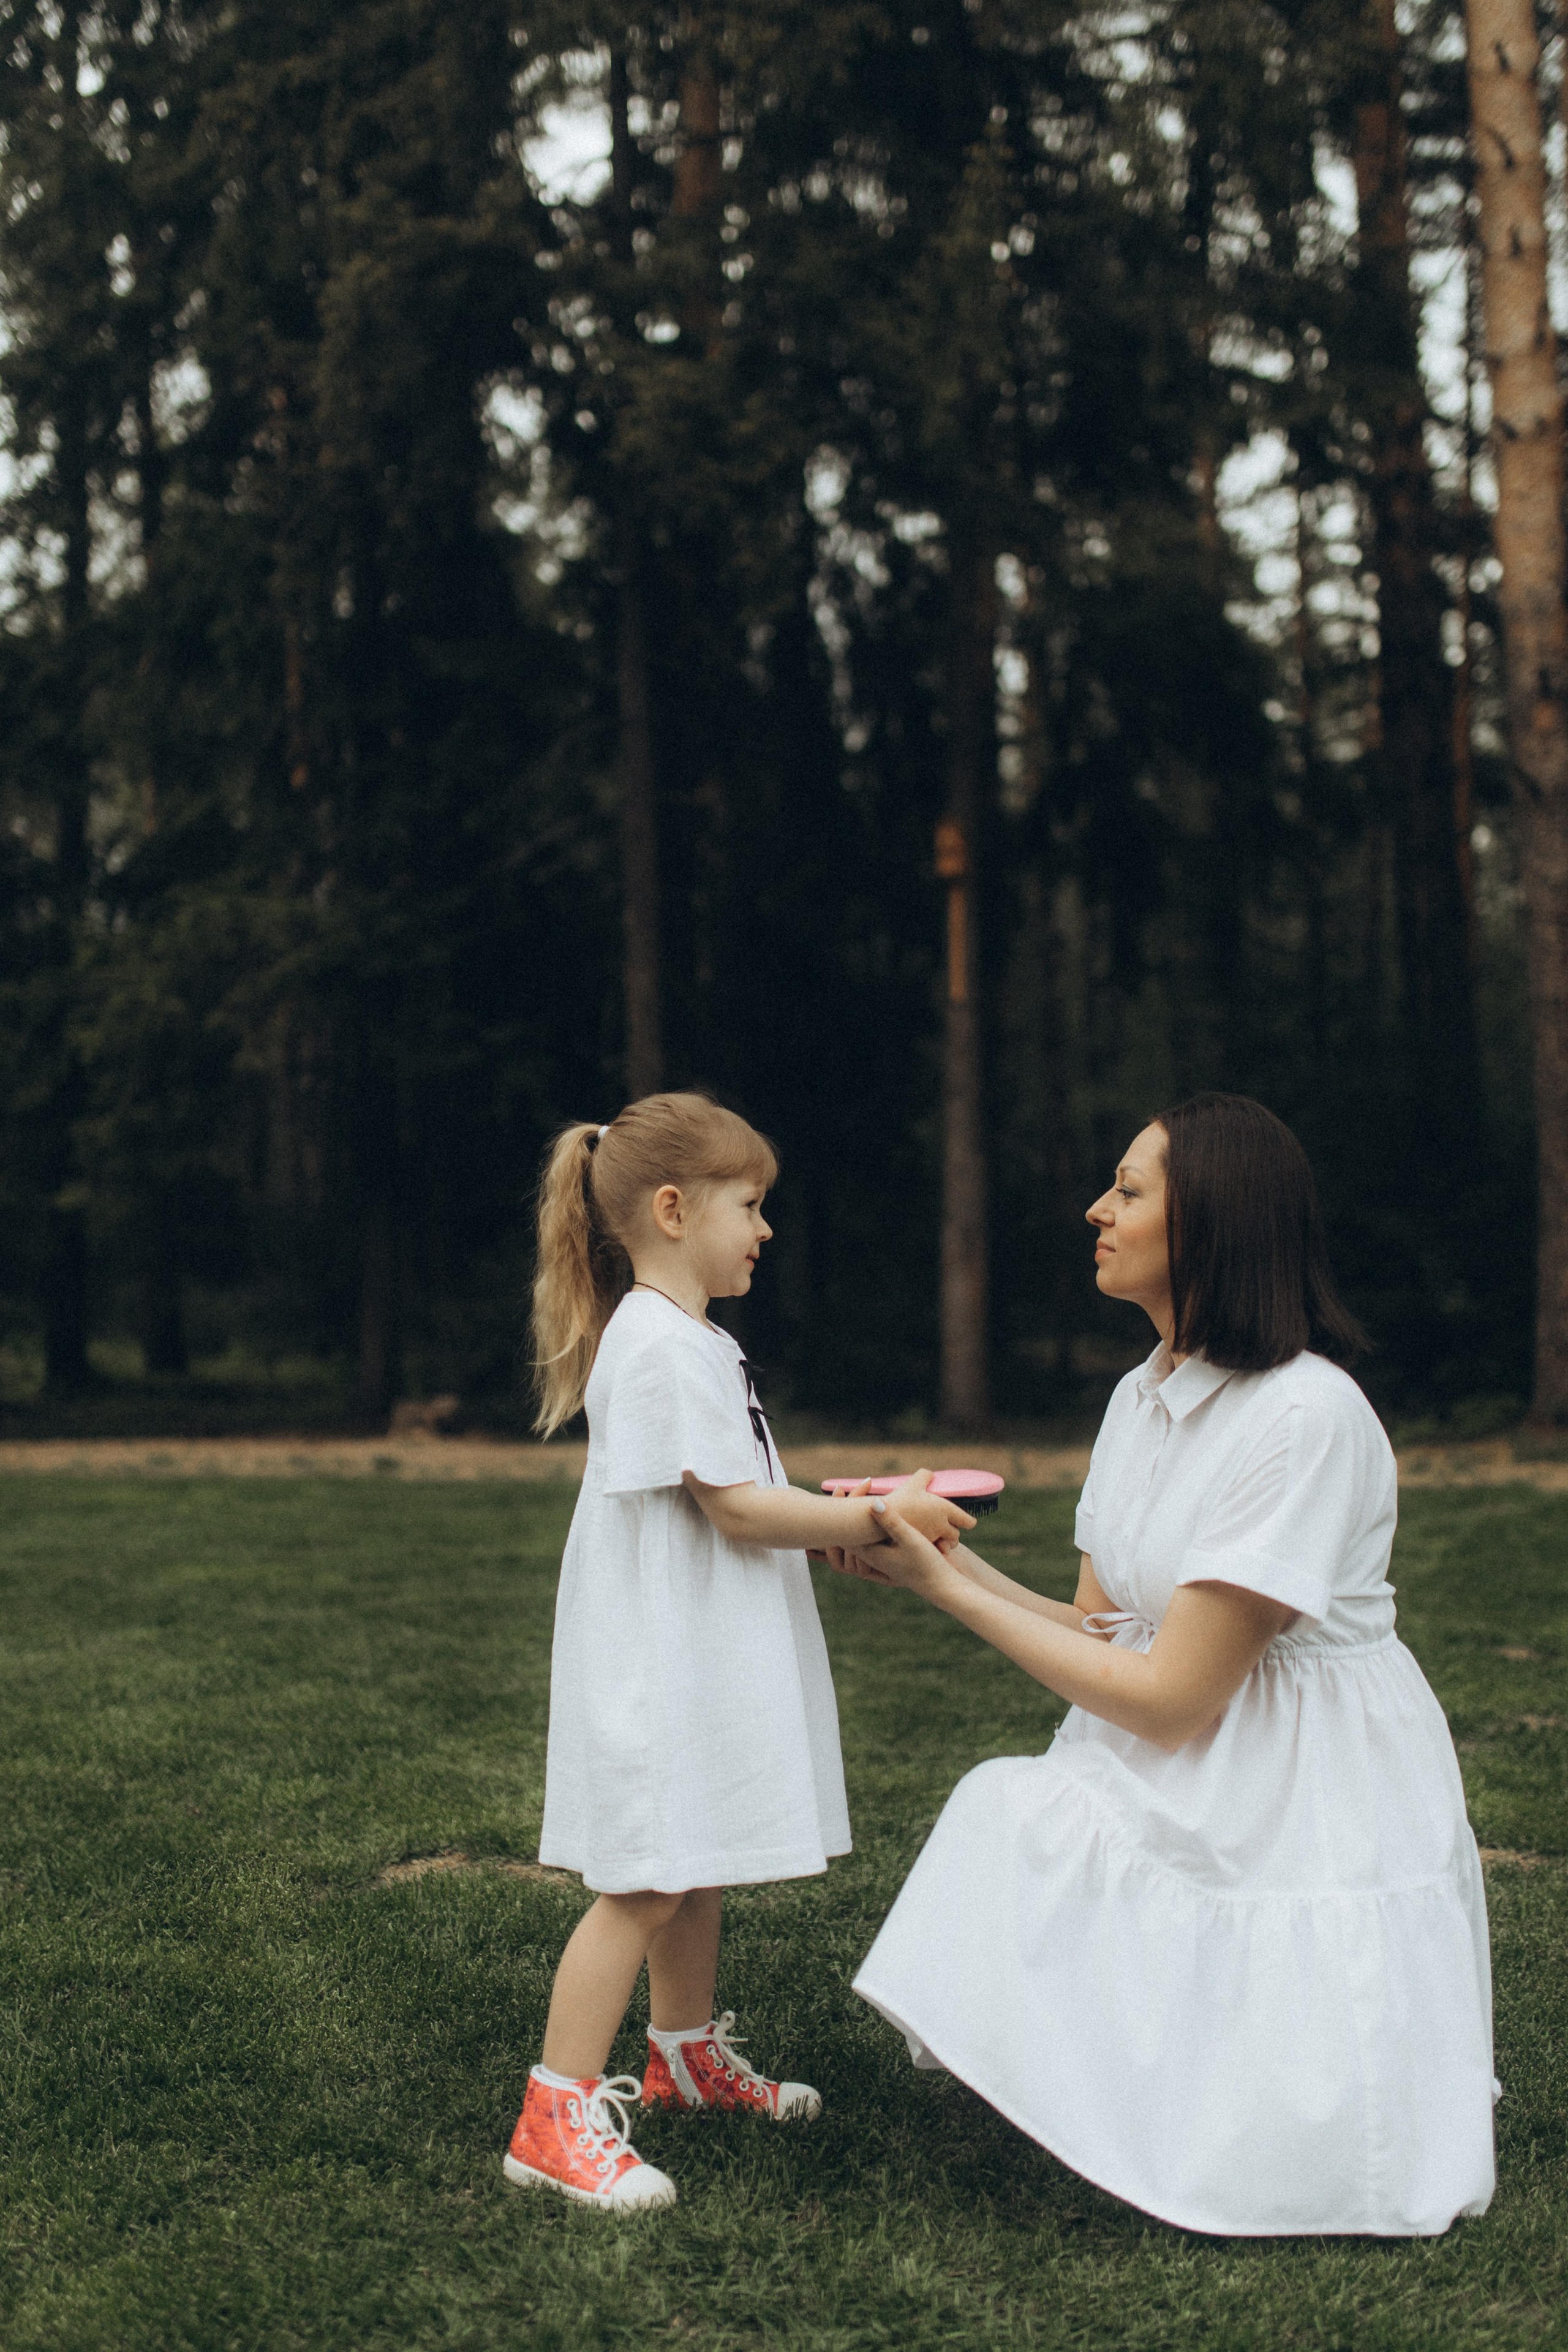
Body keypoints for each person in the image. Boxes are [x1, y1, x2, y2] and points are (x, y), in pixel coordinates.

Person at [842, 1093, 1496, 2238]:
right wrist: (935, 1567)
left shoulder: (1306, 1418)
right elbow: (1107, 1629)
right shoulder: (1139, 1396)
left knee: (1033, 1824)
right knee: (1012, 1812)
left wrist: (952, 1590)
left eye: (1130, 1190)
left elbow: (1176, 1699)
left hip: (1306, 1775)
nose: (1097, 1209)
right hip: (1186, 1728)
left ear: (1211, 1225)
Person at [505, 1091, 972, 2212]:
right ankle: (552, 2118)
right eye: (751, 1207)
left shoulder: (689, 1339)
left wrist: (848, 1508)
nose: (765, 1231)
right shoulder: (662, 1347)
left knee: (693, 1855)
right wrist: (877, 1518)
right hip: (663, 1662)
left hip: (694, 1645)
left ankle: (683, 2056)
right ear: (673, 1209)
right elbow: (742, 1512)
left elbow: (748, 1500)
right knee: (647, 1878)